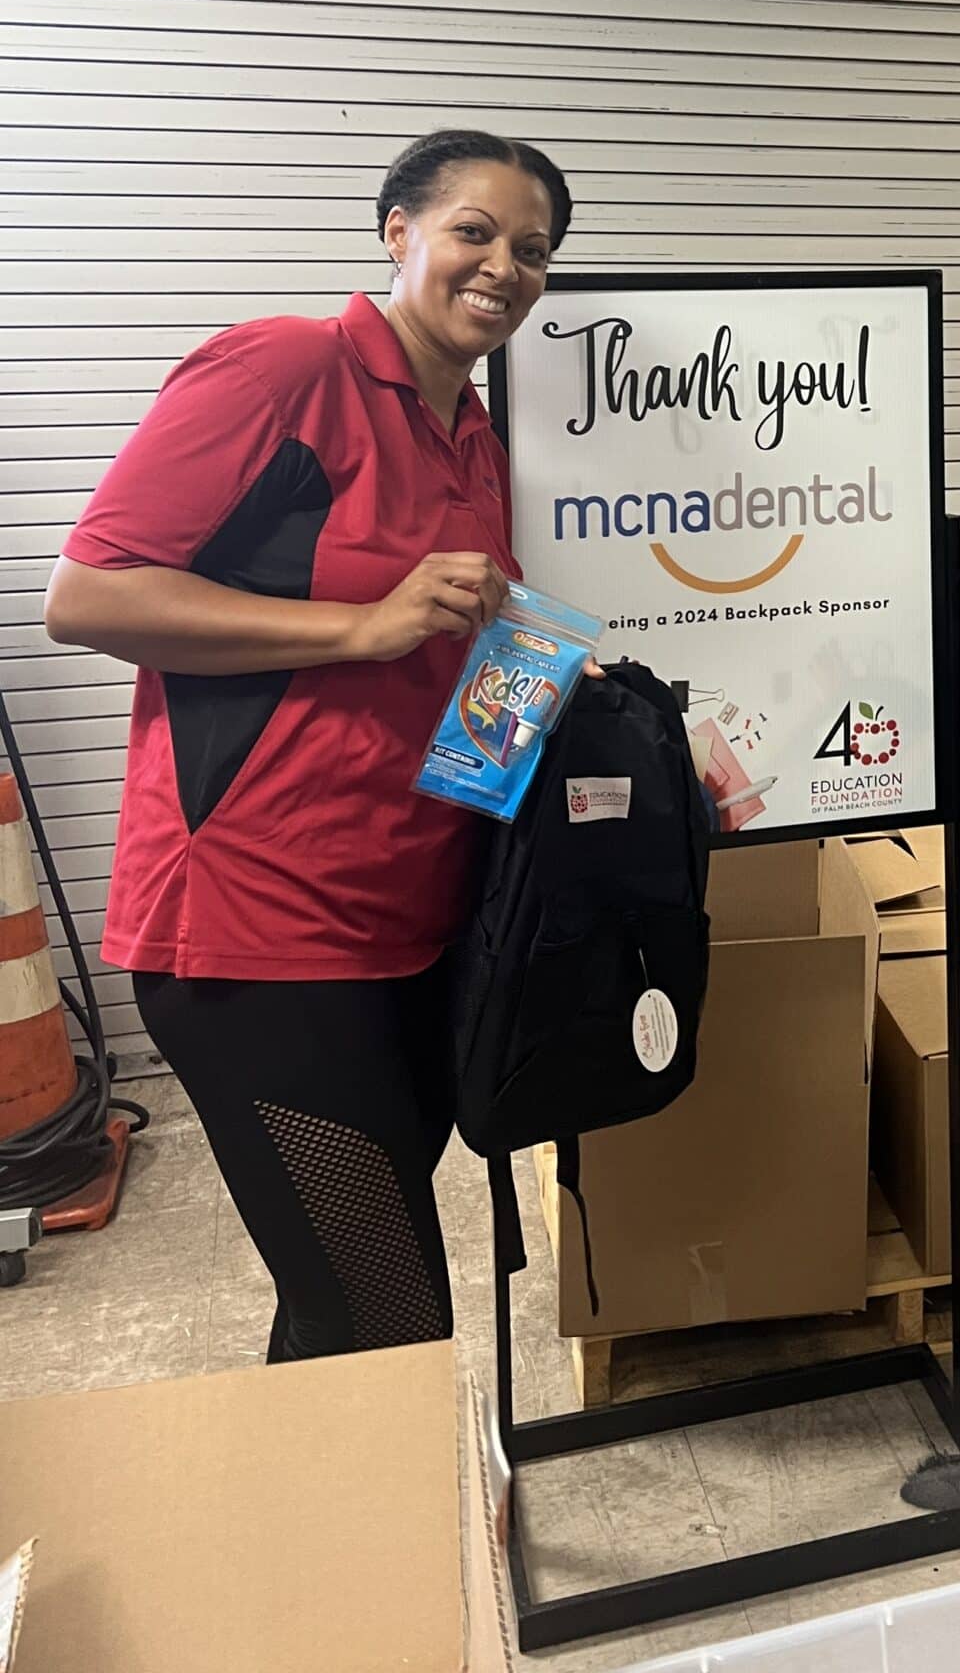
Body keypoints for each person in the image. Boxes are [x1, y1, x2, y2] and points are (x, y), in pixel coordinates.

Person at [44, 128, 571, 1364]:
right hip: (259, 933)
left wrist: (596, 711)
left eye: (533, 248)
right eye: (476, 231)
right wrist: (361, 625)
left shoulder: (474, 431)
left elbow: (459, 656)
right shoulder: (286, 369)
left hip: (413, 921)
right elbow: (88, 594)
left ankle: (318, 1481)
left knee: (340, 1295)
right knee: (388, 1315)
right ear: (399, 233)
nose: (504, 266)